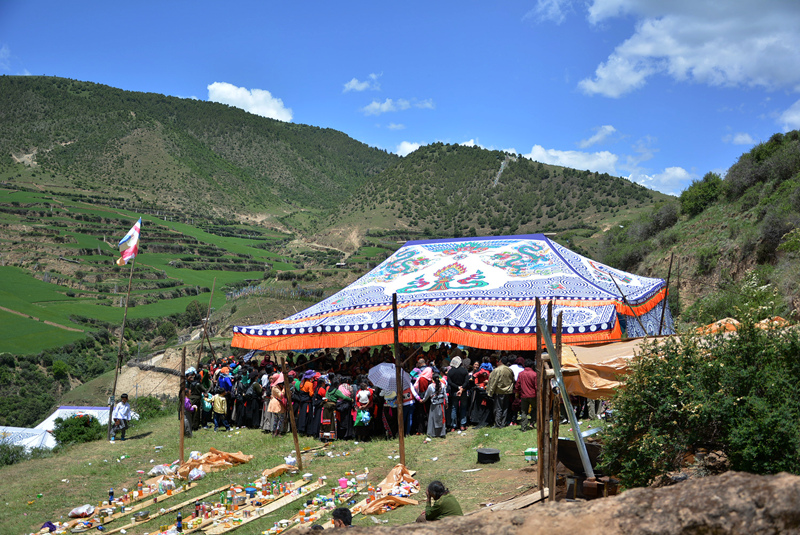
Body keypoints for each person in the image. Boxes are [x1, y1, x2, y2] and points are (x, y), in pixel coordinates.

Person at [486, 356, 515, 428]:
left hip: (499, 391)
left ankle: (498, 423)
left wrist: (490, 391)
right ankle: (503, 422)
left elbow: (494, 381)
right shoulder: (509, 370)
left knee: (498, 408)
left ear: (500, 361)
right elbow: (513, 380)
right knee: (505, 408)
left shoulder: (497, 370)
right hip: (507, 391)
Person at [420, 374, 447, 438]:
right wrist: (447, 403)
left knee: (432, 419)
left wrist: (423, 400)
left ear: (433, 379)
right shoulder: (443, 385)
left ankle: (432, 433)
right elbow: (445, 395)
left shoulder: (430, 386)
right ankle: (441, 433)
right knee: (441, 418)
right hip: (441, 404)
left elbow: (427, 395)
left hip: (434, 405)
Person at [515, 359, 537, 431]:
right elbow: (536, 386)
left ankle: (523, 427)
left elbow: (517, 385)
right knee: (535, 409)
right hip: (533, 395)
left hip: (523, 395)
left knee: (524, 411)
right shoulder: (534, 374)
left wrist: (517, 393)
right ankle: (532, 423)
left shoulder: (521, 374)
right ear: (532, 366)